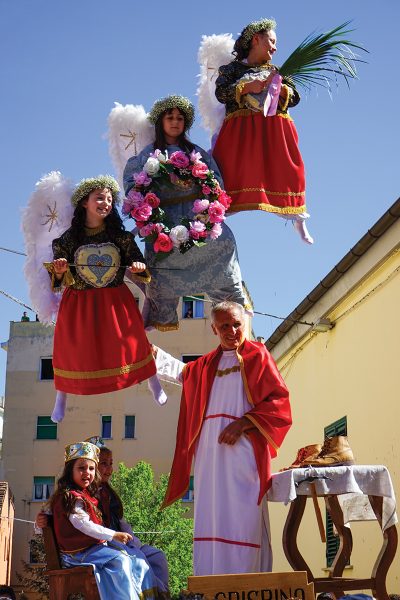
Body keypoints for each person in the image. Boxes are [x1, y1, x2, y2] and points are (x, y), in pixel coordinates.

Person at [154, 301, 292, 575]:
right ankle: (211, 583)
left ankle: (246, 583)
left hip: (243, 451)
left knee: (244, 517)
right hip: (210, 453)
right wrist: (147, 352)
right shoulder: (205, 365)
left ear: (245, 324)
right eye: (225, 326)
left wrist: (243, 423)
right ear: (214, 328)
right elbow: (180, 372)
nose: (232, 331)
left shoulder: (258, 356)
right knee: (211, 515)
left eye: (237, 324)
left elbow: (280, 402)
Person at [123, 95, 250, 332]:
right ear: (161, 121)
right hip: (163, 222)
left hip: (197, 220)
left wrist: (208, 212)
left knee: (224, 242)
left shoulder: (197, 153)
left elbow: (216, 185)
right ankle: (159, 317)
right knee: (158, 262)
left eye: (180, 118)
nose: (175, 122)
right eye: (170, 117)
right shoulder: (147, 156)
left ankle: (232, 309)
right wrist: (147, 206)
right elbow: (133, 187)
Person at [44, 175, 162, 422]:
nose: (106, 203)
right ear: (84, 202)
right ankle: (61, 398)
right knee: (71, 350)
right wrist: (60, 269)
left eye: (109, 199)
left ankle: (154, 383)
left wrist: (140, 267)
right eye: (100, 197)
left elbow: (141, 269)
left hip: (115, 301)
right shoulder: (67, 240)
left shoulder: (121, 238)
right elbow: (56, 283)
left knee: (134, 342)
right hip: (79, 304)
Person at [212, 18, 313, 244]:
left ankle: (297, 216)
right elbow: (221, 93)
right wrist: (248, 87)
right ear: (256, 39)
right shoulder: (231, 70)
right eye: (272, 41)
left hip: (274, 129)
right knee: (230, 171)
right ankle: (215, 216)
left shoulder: (277, 71)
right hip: (241, 129)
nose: (275, 48)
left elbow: (295, 98)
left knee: (288, 170)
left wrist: (281, 88)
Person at [45, 441, 160, 600]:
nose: (87, 473)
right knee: (120, 560)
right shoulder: (71, 497)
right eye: (81, 468)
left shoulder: (87, 495)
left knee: (132, 558)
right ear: (70, 470)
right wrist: (113, 535)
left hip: (89, 550)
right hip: (77, 554)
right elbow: (83, 524)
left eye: (91, 468)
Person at [93, 438, 169, 593]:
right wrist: (42, 521)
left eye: (111, 463)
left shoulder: (109, 494)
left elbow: (121, 522)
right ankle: (147, 596)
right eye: (104, 463)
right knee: (137, 559)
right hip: (103, 545)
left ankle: (161, 594)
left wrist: (134, 542)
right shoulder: (83, 494)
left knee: (157, 556)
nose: (109, 469)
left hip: (122, 541)